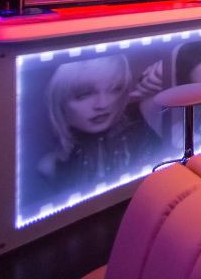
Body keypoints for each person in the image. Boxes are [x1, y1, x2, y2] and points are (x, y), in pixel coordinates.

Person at [38, 55, 158, 190]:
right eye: (84, 95)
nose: (103, 104)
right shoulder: (51, 166)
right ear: (59, 102)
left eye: (115, 89)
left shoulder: (143, 132)